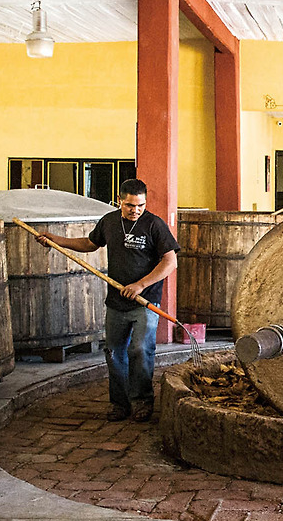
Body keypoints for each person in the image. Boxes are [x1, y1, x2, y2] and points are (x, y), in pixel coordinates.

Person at [36, 179, 180, 422]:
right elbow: (89, 244)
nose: (135, 210)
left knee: (140, 349)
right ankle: (120, 404)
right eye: (130, 205)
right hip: (116, 302)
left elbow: (170, 262)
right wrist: (56, 239)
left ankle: (142, 402)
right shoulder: (109, 222)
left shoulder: (154, 225)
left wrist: (141, 285)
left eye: (141, 205)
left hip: (146, 302)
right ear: (119, 200)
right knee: (113, 353)